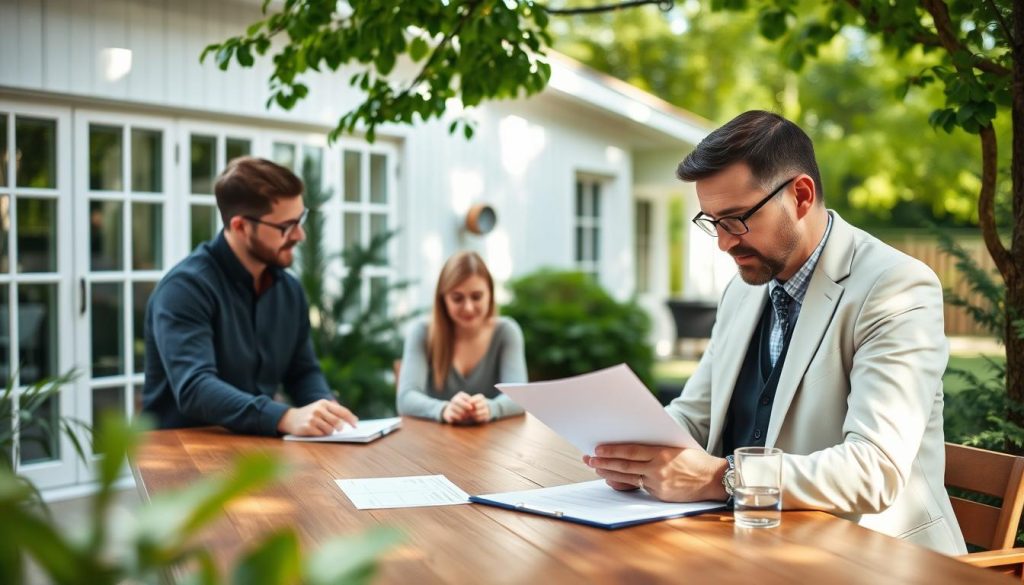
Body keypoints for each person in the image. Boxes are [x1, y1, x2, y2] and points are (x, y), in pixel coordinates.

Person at [584, 111, 966, 554]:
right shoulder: (743, 291)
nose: (724, 243)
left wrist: (717, 478)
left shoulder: (896, 288)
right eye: (712, 222)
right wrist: (632, 451)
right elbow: (695, 413)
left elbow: (873, 469)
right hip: (751, 548)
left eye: (736, 219)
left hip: (873, 560)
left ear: (801, 195)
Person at [143, 157, 357, 437]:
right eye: (286, 226)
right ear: (241, 226)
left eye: (300, 220)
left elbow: (302, 372)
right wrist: (285, 417)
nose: (300, 235)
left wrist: (327, 411)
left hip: (257, 449)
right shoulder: (185, 289)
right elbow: (195, 388)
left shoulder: (289, 290)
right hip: (186, 455)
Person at [397, 251, 527, 423]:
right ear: (443, 299)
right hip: (434, 442)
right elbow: (406, 399)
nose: (468, 308)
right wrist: (443, 409)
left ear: (490, 294)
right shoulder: (422, 332)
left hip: (494, 443)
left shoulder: (506, 331)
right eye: (457, 298)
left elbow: (520, 397)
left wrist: (491, 408)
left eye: (477, 297)